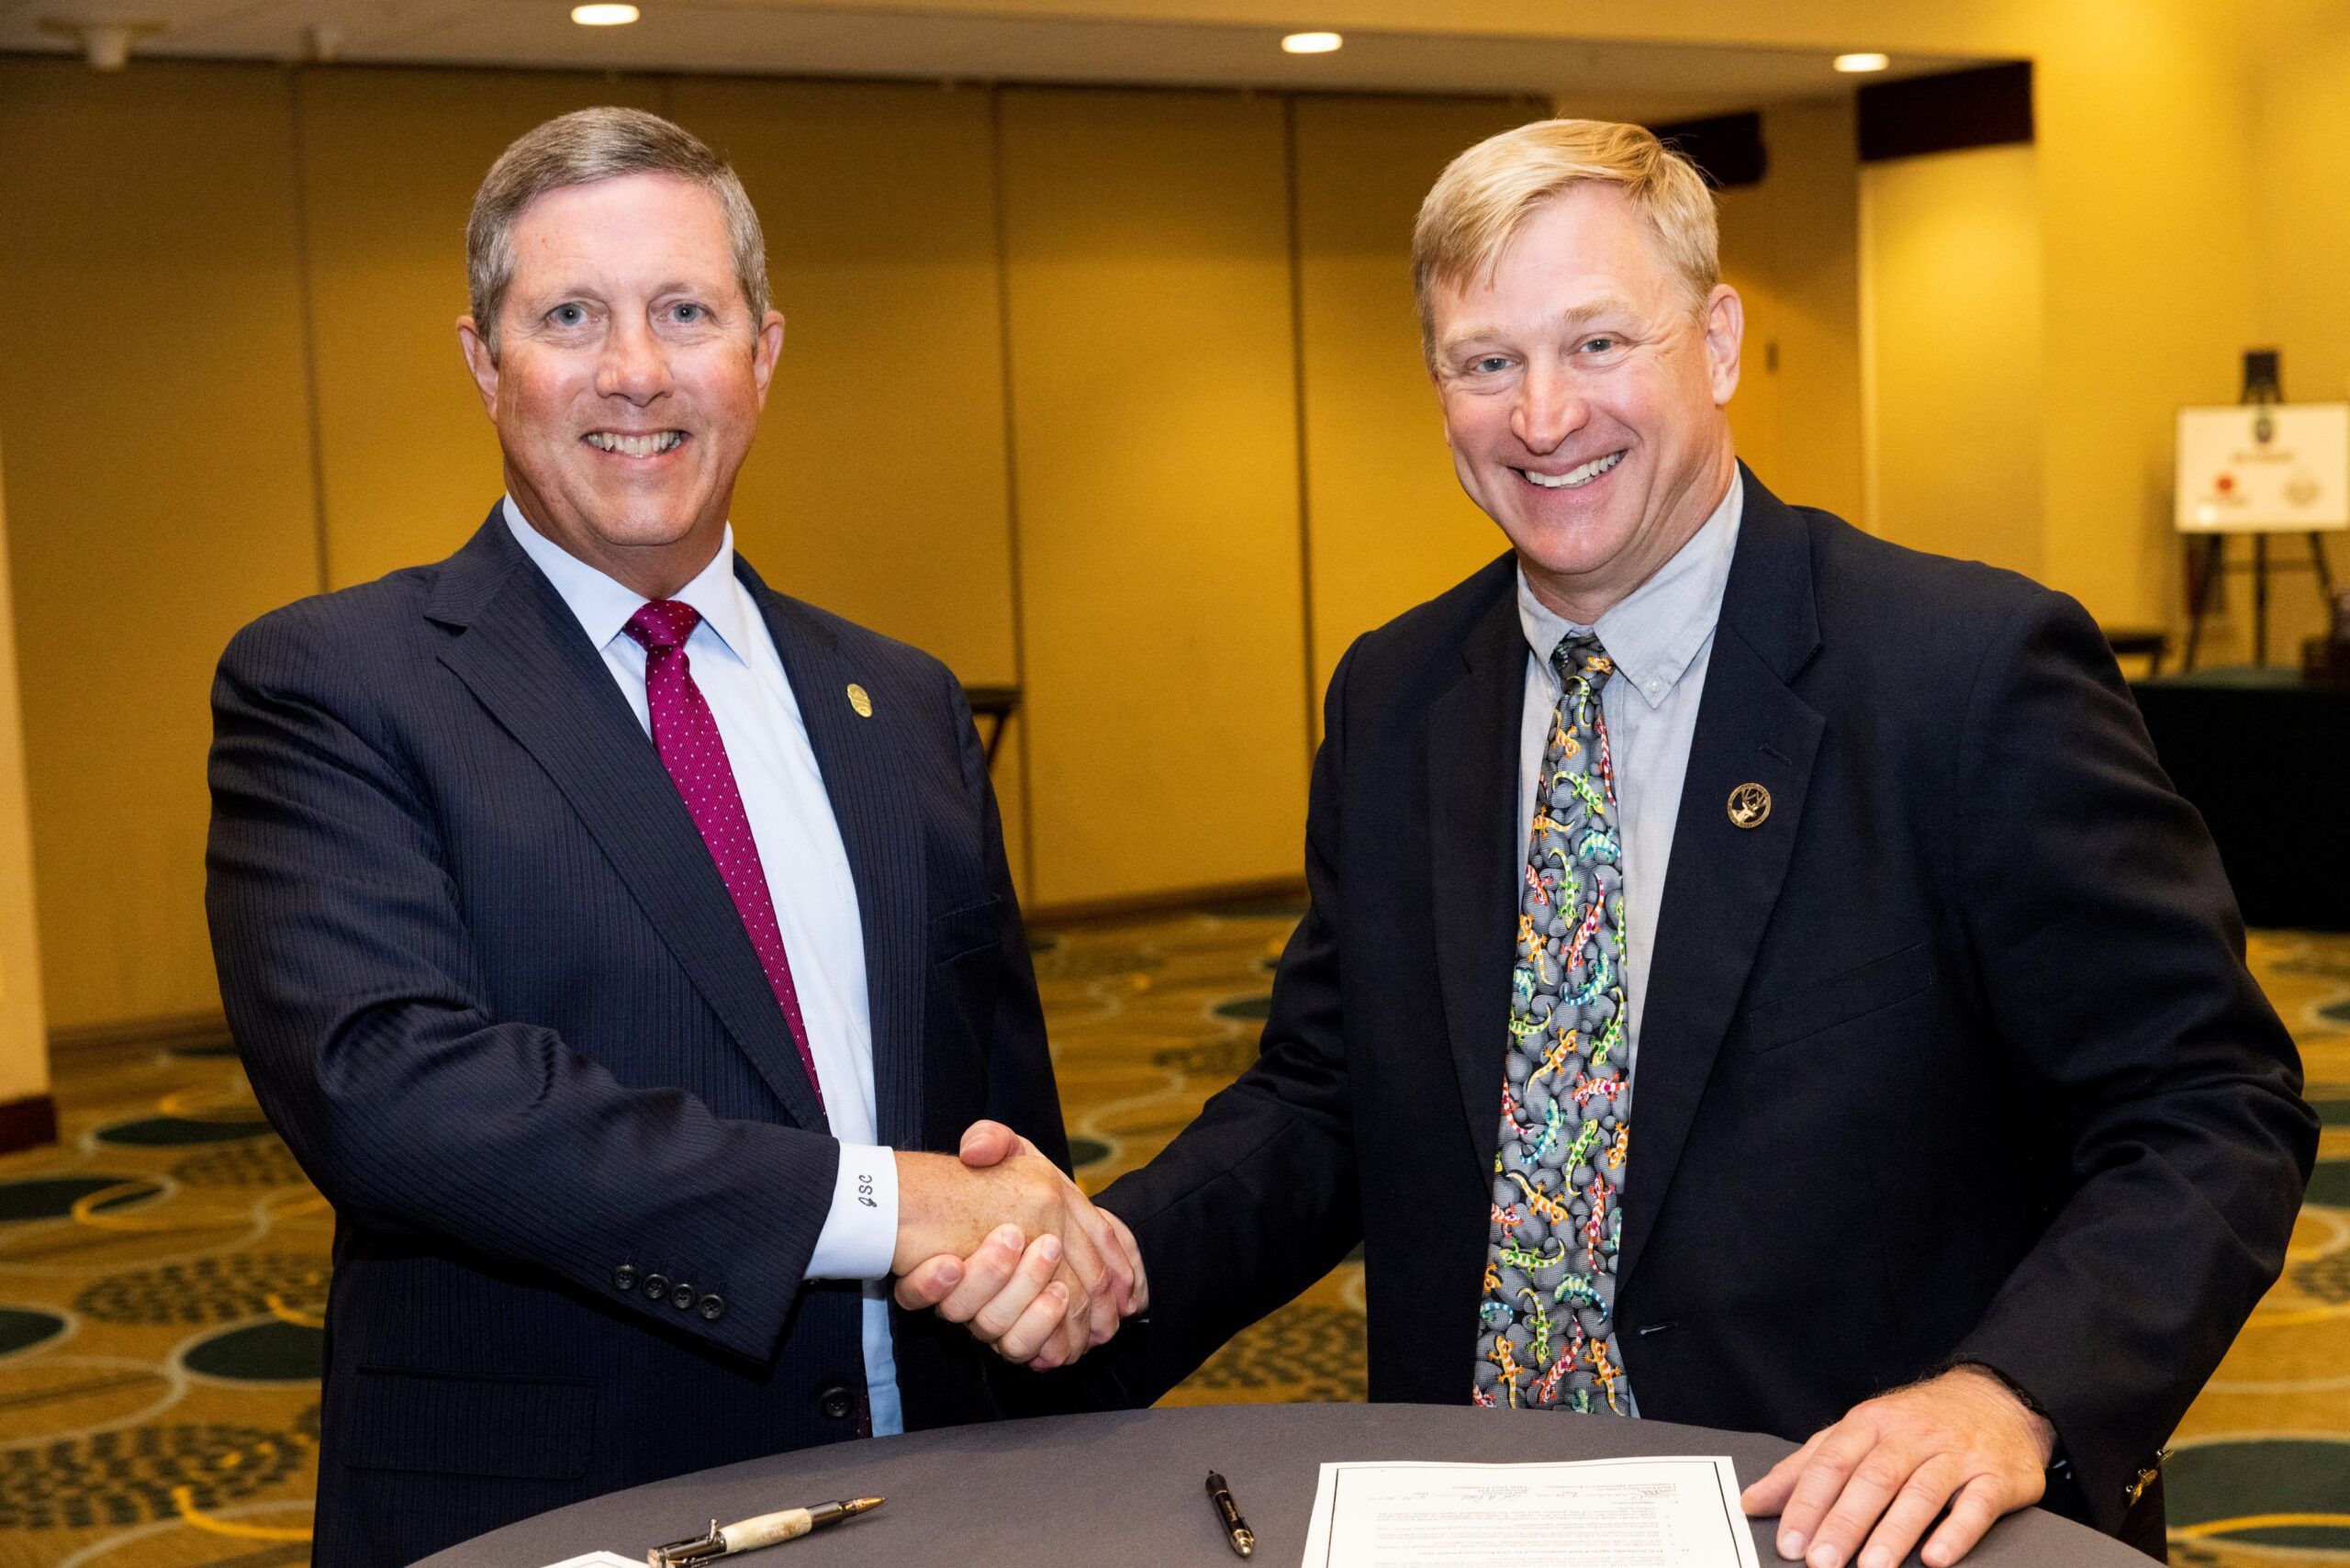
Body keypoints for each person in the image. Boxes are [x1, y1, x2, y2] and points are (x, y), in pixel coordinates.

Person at [899, 118, 2316, 1567]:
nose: (1543, 415)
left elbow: (2210, 1106)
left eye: (1596, 344)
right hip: (1478, 1507)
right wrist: (1118, 1258)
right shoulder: (1396, 699)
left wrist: (2011, 1393)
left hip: (1844, 1518)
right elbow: (1327, 1097)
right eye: (1485, 361)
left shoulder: (1963, 677)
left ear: (1714, 341)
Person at [207, 107, 1128, 1566]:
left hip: (946, 1487)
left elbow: (1001, 1124)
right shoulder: (336, 683)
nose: (635, 372)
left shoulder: (903, 700)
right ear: (481, 361)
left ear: (762, 353)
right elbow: (386, 1089)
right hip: (563, 1505)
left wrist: (1047, 1266)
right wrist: (893, 1208)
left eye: (685, 312)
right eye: (571, 315)